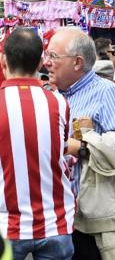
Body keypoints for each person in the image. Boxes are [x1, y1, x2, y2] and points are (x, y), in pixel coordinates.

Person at [44, 27, 115, 259]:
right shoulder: (53, 96)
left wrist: (82, 146)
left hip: (91, 220)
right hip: (58, 217)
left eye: (53, 56)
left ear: (78, 62)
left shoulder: (106, 93)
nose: (46, 62)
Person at [0, 28, 76, 260]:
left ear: (4, 60)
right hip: (55, 221)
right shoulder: (58, 102)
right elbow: (63, 149)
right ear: (41, 62)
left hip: (6, 226)